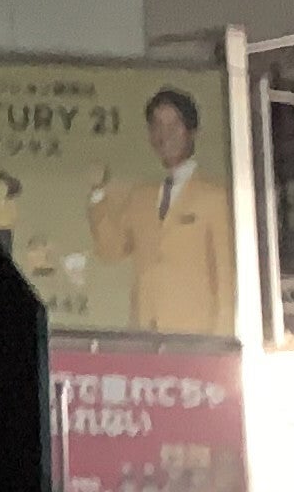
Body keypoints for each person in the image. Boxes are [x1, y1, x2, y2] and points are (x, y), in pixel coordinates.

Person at [85, 87, 233, 335]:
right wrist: (98, 194)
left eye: (174, 125)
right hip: (144, 334)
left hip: (196, 337)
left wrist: (222, 341)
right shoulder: (141, 197)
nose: (165, 135)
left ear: (192, 131)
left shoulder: (215, 198)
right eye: (157, 126)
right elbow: (110, 251)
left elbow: (226, 279)